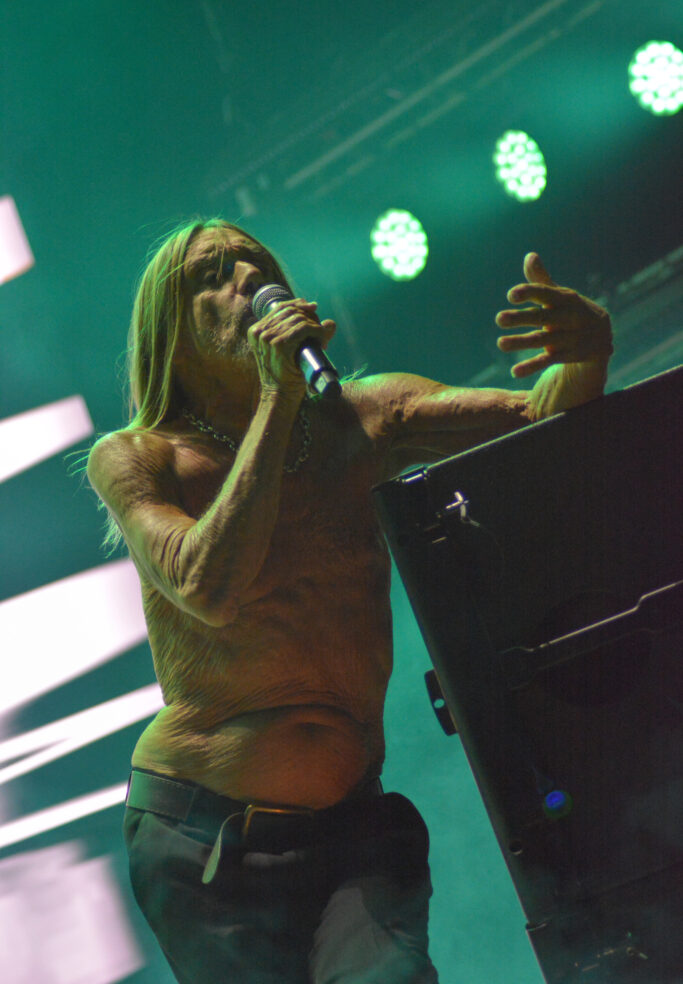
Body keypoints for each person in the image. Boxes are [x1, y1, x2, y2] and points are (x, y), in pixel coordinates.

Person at [87, 218, 613, 984]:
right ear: (170, 330)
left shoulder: (365, 416)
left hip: (354, 823)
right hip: (209, 841)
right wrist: (276, 396)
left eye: (254, 263)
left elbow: (540, 419)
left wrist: (590, 348)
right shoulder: (139, 457)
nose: (243, 279)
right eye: (213, 274)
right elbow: (207, 586)